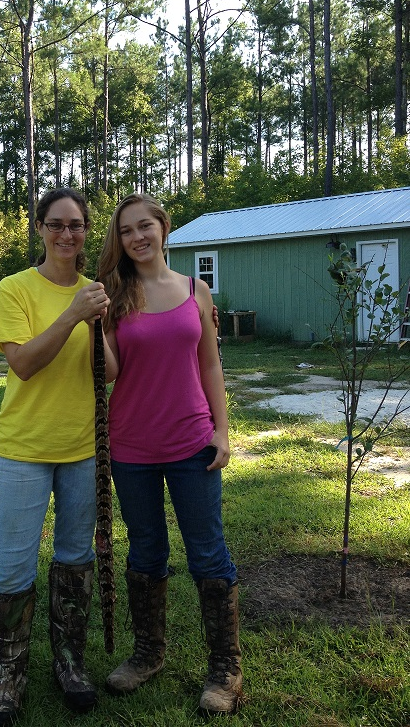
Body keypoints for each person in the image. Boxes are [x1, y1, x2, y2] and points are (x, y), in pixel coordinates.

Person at [98, 192, 242, 717]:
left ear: (162, 227)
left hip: (191, 444)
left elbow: (210, 365)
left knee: (208, 552)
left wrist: (222, 431)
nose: (137, 237)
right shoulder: (114, 294)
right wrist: (94, 326)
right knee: (145, 551)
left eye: (145, 226)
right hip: (131, 445)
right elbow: (110, 372)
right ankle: (148, 654)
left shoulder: (195, 290)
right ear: (119, 241)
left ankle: (225, 667)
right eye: (126, 231)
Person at [0, 188, 116, 726]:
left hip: (83, 449)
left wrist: (95, 321)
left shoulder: (95, 293)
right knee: (13, 565)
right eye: (56, 224)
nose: (67, 234)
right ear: (39, 227)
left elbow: (111, 371)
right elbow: (24, 364)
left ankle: (69, 662)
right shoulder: (15, 289)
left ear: (86, 231)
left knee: (75, 560)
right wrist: (71, 316)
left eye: (76, 224)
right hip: (24, 448)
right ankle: (8, 676)